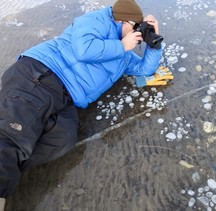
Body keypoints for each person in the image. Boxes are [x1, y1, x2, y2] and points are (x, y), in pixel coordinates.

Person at [0, 0, 171, 209]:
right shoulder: (97, 20)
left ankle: (9, 166)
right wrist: (122, 45)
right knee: (12, 139)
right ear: (121, 20)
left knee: (62, 139)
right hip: (41, 76)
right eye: (135, 27)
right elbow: (84, 50)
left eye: (139, 29)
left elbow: (145, 69)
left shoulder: (124, 53)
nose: (137, 32)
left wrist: (154, 43)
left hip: (68, 98)